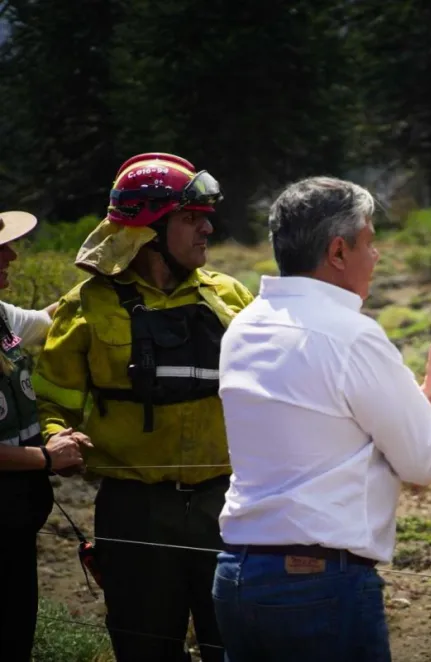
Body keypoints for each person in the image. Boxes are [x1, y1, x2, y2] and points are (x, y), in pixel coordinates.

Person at [212, 176, 431, 662]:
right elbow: (423, 461)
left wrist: (429, 393)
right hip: (320, 584)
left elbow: (331, 428)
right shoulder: (350, 334)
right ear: (338, 251)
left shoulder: (246, 325)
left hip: (240, 575)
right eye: (369, 242)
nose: (377, 255)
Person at [32, 154, 255, 662]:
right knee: (144, 649)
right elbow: (51, 398)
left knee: (238, 646)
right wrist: (55, 434)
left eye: (205, 216)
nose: (207, 228)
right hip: (135, 514)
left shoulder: (230, 297)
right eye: (191, 217)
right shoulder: (86, 306)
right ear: (148, 232)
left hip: (228, 505)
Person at [0, 210, 90, 661]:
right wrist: (48, 458)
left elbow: (48, 318)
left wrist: (101, 275)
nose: (11, 257)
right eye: (0, 250)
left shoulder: (2, 316)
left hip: (15, 519)